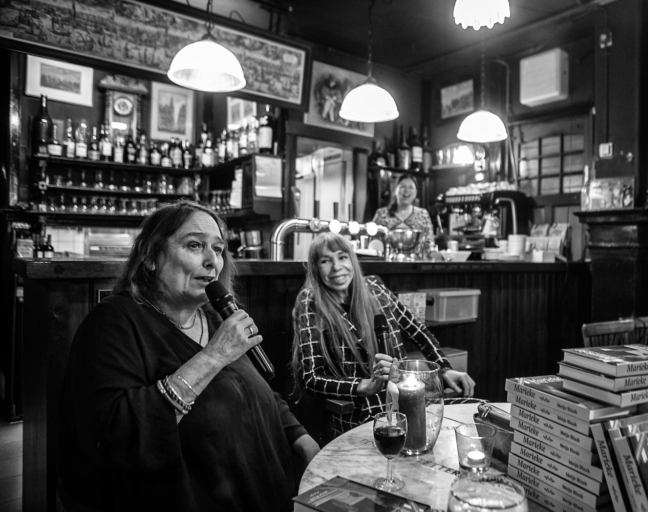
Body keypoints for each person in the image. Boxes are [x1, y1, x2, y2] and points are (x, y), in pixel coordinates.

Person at [58, 200, 319, 512]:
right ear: (151, 257)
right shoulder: (114, 322)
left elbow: (255, 390)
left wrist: (300, 437)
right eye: (195, 245)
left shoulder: (213, 318)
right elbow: (113, 434)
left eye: (219, 249)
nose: (212, 261)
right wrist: (213, 356)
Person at [290, 232, 481, 435]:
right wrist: (362, 386)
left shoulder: (375, 288)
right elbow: (310, 377)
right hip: (362, 411)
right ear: (315, 268)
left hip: (407, 397)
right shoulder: (310, 301)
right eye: (326, 261)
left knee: (478, 412)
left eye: (342, 257)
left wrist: (445, 368)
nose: (337, 267)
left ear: (352, 260)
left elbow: (419, 332)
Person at [372, 174, 435, 256]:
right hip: (387, 263)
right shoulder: (381, 214)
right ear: (395, 190)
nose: (406, 191)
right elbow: (373, 242)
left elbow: (429, 242)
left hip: (415, 263)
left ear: (416, 192)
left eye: (411, 187)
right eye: (403, 187)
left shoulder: (422, 214)